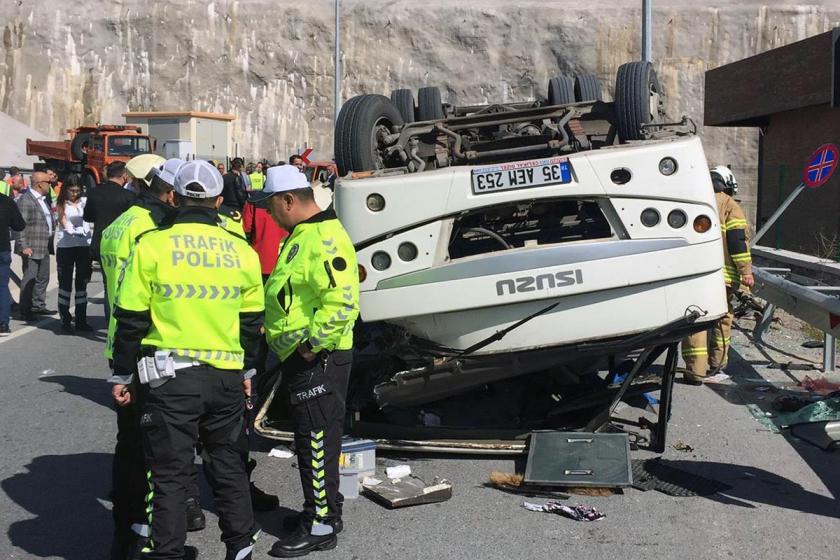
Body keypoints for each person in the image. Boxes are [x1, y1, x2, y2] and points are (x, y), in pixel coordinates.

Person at [111, 160, 265, 560]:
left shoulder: (152, 244)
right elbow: (251, 322)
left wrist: (121, 374)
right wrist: (249, 369)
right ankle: (240, 549)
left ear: (174, 198)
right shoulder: (241, 251)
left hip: (169, 380)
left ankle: (167, 553)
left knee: (170, 475)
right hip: (226, 379)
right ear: (218, 201)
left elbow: (130, 317)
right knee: (229, 467)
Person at [250, 165, 359, 557]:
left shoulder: (324, 238)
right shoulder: (304, 235)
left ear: (289, 201)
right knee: (314, 439)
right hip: (304, 357)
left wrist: (311, 346)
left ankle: (321, 525)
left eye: (270, 207)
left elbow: (342, 301)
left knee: (315, 440)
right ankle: (324, 509)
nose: (269, 215)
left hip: (319, 359)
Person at [681, 166, 754, 384]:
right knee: (723, 318)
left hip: (694, 275)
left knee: (695, 319)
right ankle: (718, 365)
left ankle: (695, 371)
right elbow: (737, 241)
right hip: (723, 278)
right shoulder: (729, 205)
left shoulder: (691, 201)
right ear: (727, 184)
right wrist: (746, 272)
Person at [84, 161, 136, 321]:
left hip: (101, 243)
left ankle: (110, 325)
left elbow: (88, 217)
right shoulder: (128, 196)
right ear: (124, 175)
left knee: (108, 286)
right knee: (126, 285)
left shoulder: (94, 192)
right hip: (122, 243)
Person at [14, 171, 55, 321]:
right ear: (39, 184)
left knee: (43, 277)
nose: (50, 185)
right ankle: (25, 309)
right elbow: (20, 226)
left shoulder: (42, 199)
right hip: (31, 246)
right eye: (48, 183)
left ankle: (38, 305)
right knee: (30, 278)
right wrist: (23, 245)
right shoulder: (26, 200)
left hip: (43, 245)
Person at [54, 174, 92, 332]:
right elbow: (62, 220)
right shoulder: (61, 203)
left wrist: (86, 228)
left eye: (77, 190)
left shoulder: (85, 202)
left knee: (82, 284)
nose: (75, 194)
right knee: (65, 285)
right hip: (66, 247)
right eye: (72, 190)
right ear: (66, 190)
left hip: (83, 246)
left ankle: (81, 319)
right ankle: (65, 319)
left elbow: (90, 218)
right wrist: (70, 229)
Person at [0, 189, 25, 335]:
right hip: (2, 248)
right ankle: (3, 324)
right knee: (2, 287)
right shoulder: (7, 201)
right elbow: (19, 225)